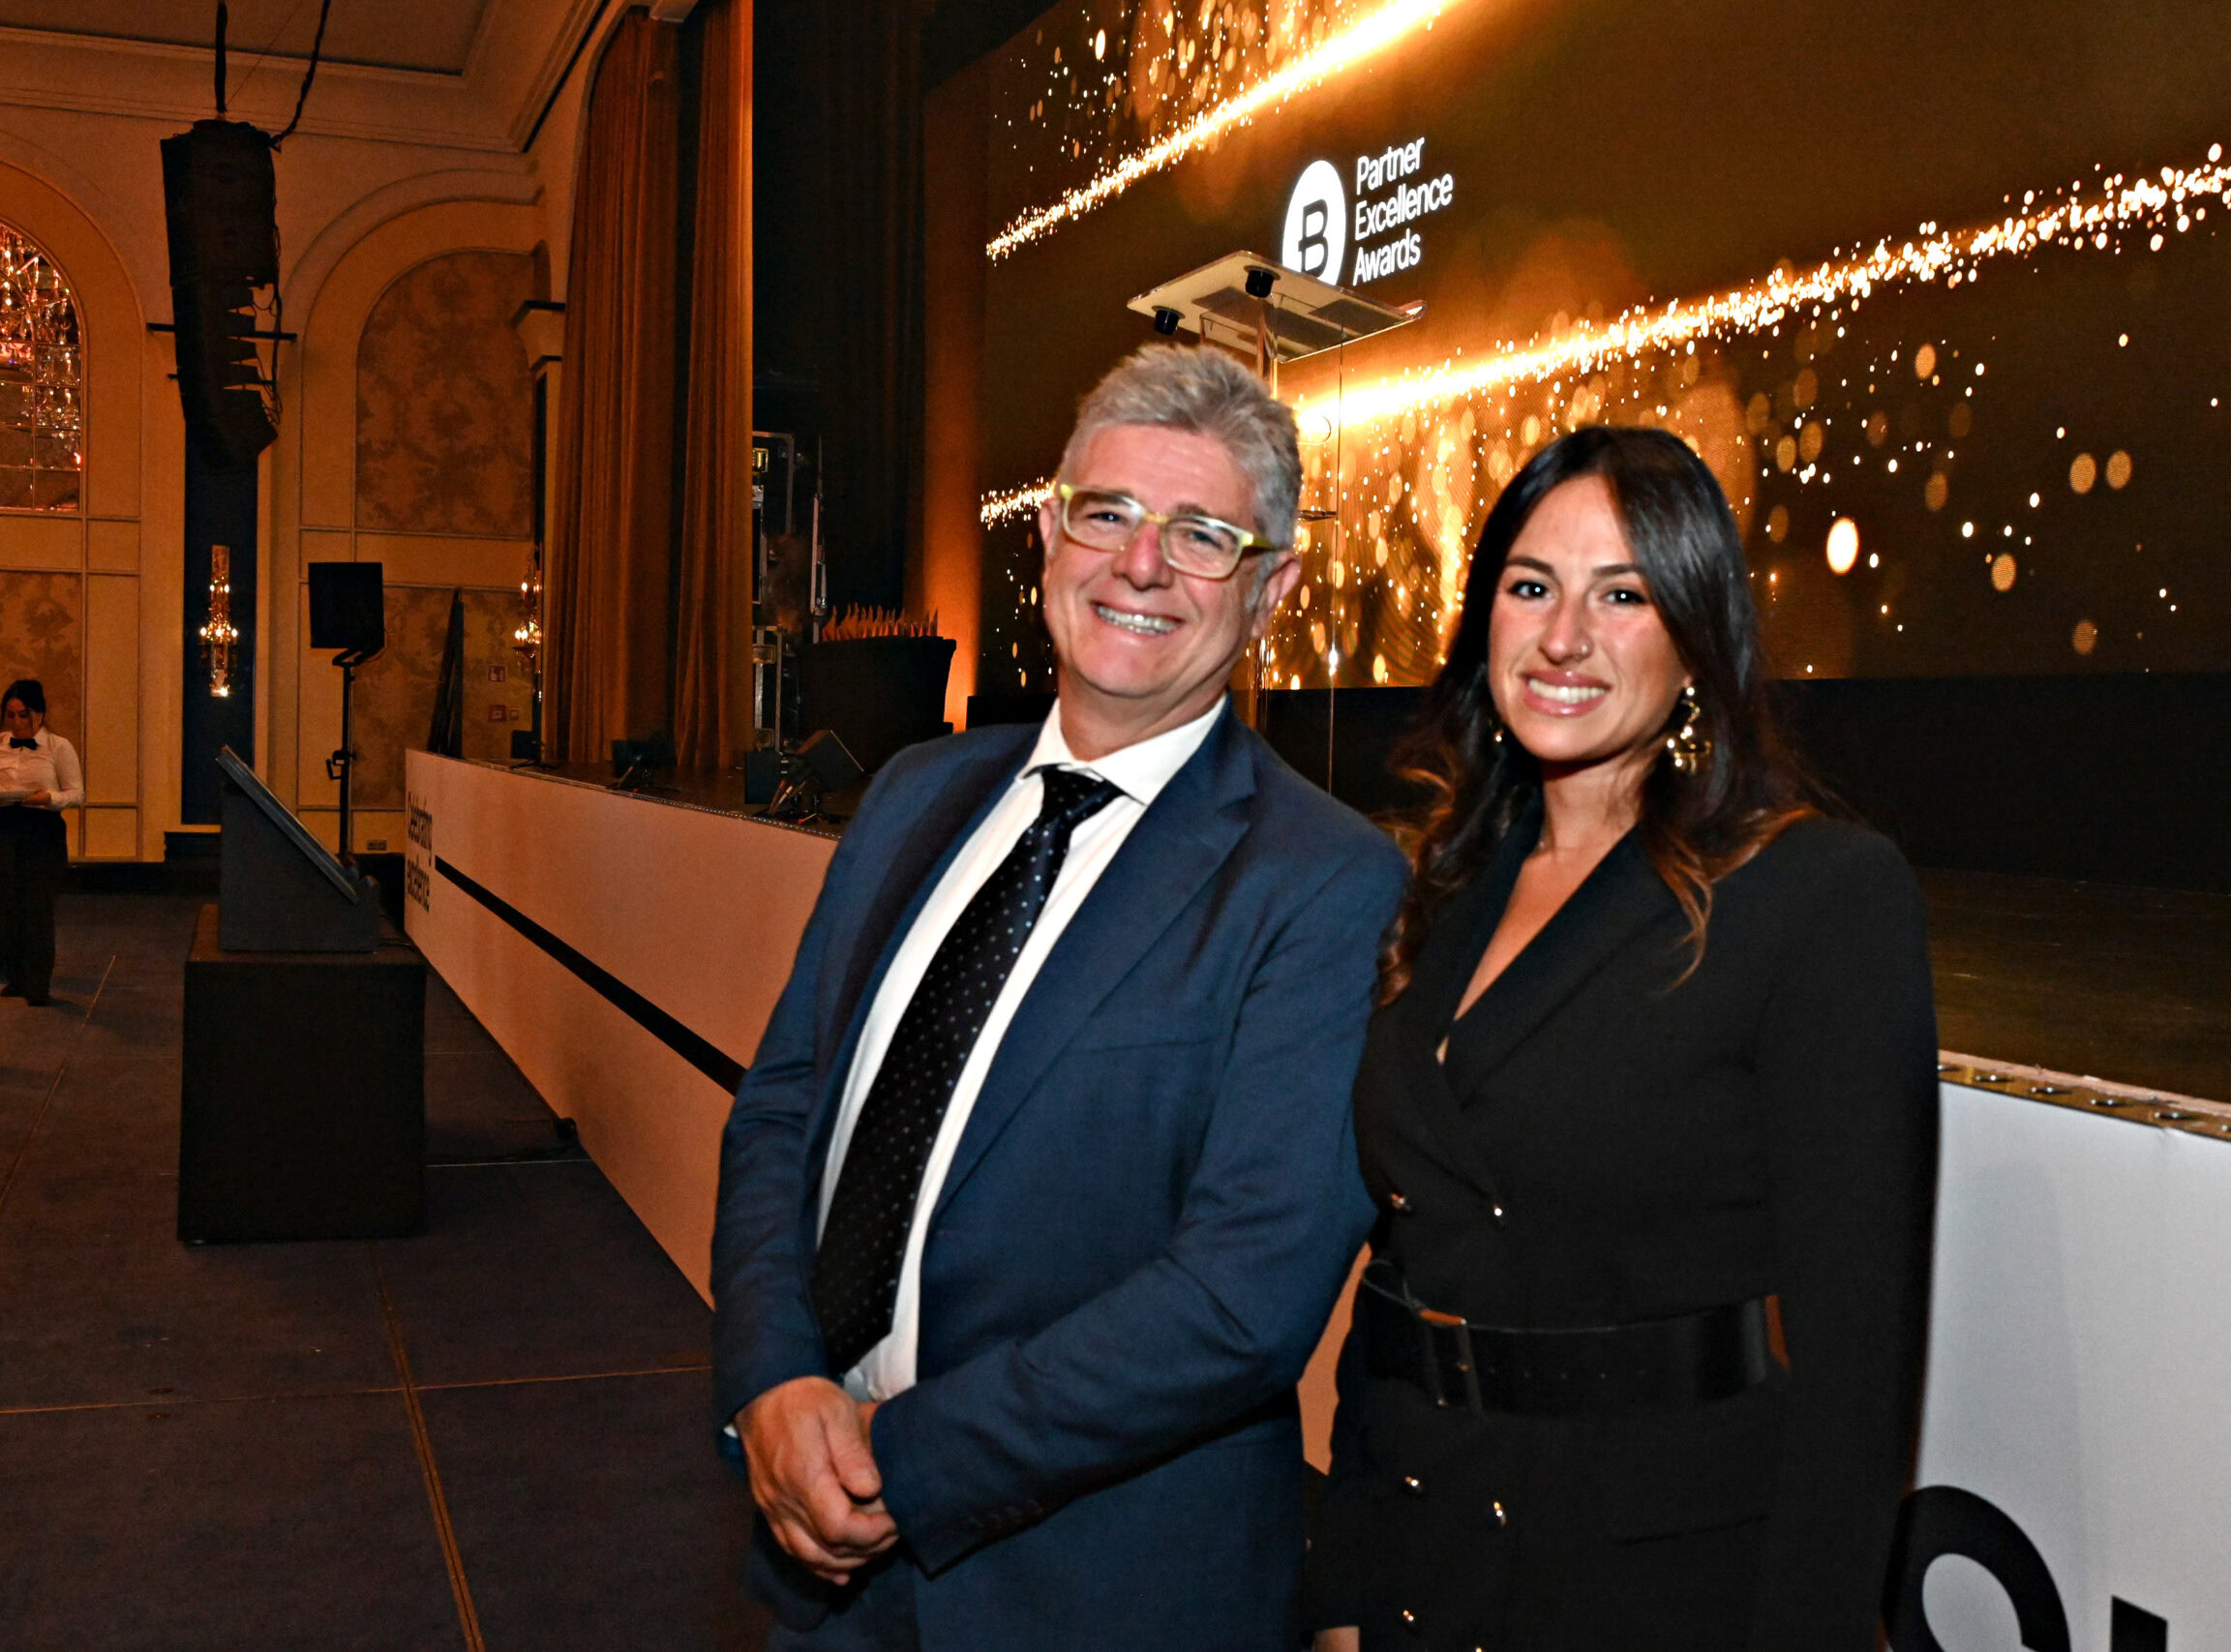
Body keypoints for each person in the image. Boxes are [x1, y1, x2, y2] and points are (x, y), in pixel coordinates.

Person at [709, 345, 1406, 1651]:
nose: (1140, 564)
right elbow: (784, 1108)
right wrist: (772, 1378)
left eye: (1201, 536)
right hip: (817, 1559)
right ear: (1047, 535)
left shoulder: (1323, 880)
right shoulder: (914, 792)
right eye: (1109, 512)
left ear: (1271, 591)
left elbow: (1241, 1300)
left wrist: (894, 1461)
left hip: (1092, 1590)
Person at [1306, 427, 1939, 1651]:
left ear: (1695, 638)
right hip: (1420, 1563)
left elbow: (1856, 1383)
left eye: (1622, 596)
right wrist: (1340, 1595)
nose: (1562, 638)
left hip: (1653, 1588)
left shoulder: (1818, 897)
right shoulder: (1443, 885)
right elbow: (1405, 1279)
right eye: (1530, 586)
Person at [0, 678, 81, 1007]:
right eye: (10, 715)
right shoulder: (1, 744)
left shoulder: (58, 747)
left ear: (40, 714)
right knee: (8, 905)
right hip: (5, 827)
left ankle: (37, 983)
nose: (17, 723)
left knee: (37, 906)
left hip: (42, 830)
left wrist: (48, 798)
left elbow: (77, 793)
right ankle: (16, 977)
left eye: (24, 715)